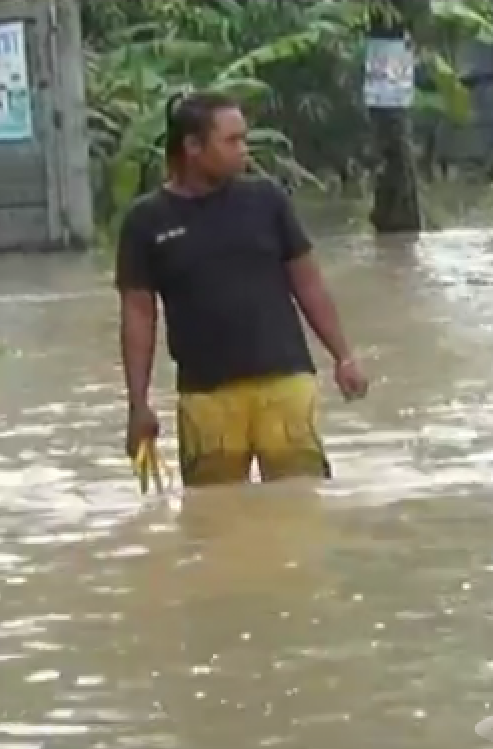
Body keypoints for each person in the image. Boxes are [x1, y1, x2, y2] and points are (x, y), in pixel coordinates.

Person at [116, 91, 369, 488]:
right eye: (231, 141)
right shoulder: (146, 221)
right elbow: (138, 315)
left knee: (299, 507)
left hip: (286, 384)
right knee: (215, 520)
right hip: (206, 397)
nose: (244, 151)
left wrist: (344, 356)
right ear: (193, 147)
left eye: (243, 139)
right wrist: (138, 405)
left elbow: (308, 282)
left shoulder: (266, 200)